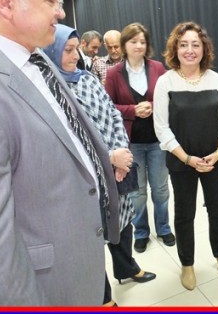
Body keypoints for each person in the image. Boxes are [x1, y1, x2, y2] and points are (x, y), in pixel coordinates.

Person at [0, 0, 119, 306]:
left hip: (77, 264)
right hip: (44, 289)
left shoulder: (35, 56)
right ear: (6, 2)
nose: (60, 12)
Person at [43, 24, 157, 307]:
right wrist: (109, 157)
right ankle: (103, 297)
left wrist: (121, 153)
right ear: (51, 52)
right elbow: (71, 136)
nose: (74, 56)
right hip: (87, 177)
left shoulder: (87, 78)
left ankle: (126, 268)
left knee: (122, 222)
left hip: (118, 167)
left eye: (75, 50)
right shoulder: (50, 88)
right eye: (67, 50)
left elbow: (113, 114)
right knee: (93, 236)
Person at [153, 21, 218, 291]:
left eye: (195, 45)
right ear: (175, 49)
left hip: (214, 160)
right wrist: (187, 158)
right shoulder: (165, 82)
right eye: (183, 45)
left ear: (204, 49)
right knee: (184, 213)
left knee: (217, 210)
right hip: (181, 162)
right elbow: (161, 128)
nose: (190, 50)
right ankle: (187, 264)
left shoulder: (217, 80)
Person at [105, 23, 175, 254]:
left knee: (160, 188)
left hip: (157, 140)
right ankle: (141, 232)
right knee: (137, 192)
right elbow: (108, 107)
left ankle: (163, 228)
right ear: (124, 45)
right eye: (133, 41)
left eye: (142, 41)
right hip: (131, 142)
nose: (138, 46)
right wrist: (132, 110)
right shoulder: (114, 73)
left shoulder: (157, 68)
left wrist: (153, 105)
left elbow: (170, 97)